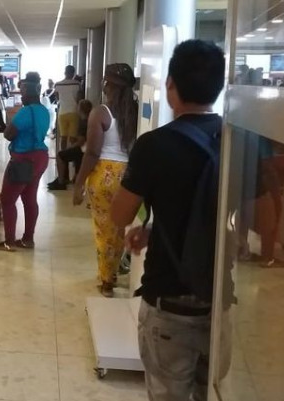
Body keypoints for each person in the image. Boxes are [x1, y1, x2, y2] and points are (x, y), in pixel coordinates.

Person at [110, 39, 226, 400]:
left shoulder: (154, 145)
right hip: (221, 300)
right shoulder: (235, 140)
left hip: (169, 298)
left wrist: (151, 222)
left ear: (171, 84)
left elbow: (119, 214)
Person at [71, 63, 137, 297]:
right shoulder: (136, 111)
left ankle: (107, 279)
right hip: (129, 175)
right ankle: (115, 270)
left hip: (104, 175)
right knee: (120, 228)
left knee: (104, 229)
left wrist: (79, 183)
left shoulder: (101, 112)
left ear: (107, 84)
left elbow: (92, 153)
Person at [0, 72, 50, 252]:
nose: (21, 96)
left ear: (29, 92)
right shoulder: (44, 111)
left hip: (23, 159)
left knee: (8, 200)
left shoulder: (26, 111)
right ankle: (28, 239)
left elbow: (9, 134)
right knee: (29, 198)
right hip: (41, 157)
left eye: (23, 92)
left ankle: (9, 241)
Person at [49, 65, 82, 190]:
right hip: (74, 112)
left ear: (64, 72)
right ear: (73, 73)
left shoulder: (58, 84)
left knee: (63, 138)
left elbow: (57, 98)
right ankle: (71, 157)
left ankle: (63, 158)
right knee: (73, 139)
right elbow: (79, 99)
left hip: (62, 112)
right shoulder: (77, 84)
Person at [56, 99, 93, 179]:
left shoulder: (83, 123)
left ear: (80, 109)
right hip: (87, 149)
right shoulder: (90, 120)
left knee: (60, 155)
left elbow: (81, 141)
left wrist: (71, 147)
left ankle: (61, 180)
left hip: (83, 149)